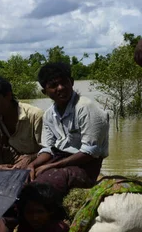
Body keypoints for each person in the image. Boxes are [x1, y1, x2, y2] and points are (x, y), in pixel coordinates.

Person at [27, 62, 110, 196]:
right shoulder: (49, 114)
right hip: (58, 159)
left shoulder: (85, 108)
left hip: (85, 167)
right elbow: (48, 149)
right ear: (45, 91)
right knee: (24, 178)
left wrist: (52, 166)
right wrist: (33, 165)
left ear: (71, 82)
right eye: (53, 86)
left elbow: (90, 152)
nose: (60, 88)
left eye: (64, 83)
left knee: (44, 185)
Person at [0, 77, 44, 171]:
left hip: (35, 163)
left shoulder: (35, 115)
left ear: (8, 95)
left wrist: (30, 158)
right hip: (7, 166)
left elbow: (49, 150)